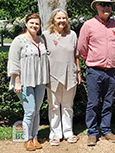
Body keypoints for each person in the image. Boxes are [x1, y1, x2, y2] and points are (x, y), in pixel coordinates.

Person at [78, 0, 115, 146]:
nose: (106, 7)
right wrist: (93, 60)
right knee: (93, 103)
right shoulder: (88, 25)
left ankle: (106, 130)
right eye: (102, 4)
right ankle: (92, 132)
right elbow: (81, 48)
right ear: (96, 6)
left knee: (108, 102)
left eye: (108, 4)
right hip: (94, 71)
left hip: (111, 71)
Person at [7, 13, 49, 151]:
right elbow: (13, 62)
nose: (34, 26)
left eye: (37, 23)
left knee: (37, 111)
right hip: (24, 83)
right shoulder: (18, 41)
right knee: (29, 111)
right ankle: (27, 139)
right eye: (31, 23)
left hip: (39, 82)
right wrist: (17, 82)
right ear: (26, 24)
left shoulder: (41, 40)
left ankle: (35, 136)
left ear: (40, 26)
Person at [42, 8, 81, 146]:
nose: (62, 21)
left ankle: (68, 132)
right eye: (59, 18)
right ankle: (55, 133)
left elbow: (76, 56)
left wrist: (78, 72)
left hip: (69, 75)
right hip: (52, 75)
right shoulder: (46, 35)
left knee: (67, 106)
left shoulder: (72, 35)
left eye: (64, 18)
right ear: (53, 19)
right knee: (53, 106)